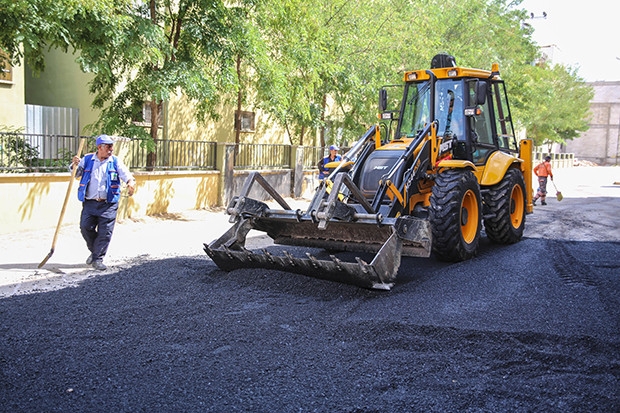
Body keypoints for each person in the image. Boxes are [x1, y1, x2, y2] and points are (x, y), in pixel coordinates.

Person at [71, 134, 136, 270]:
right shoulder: (87, 160)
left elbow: (126, 175)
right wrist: (74, 165)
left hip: (108, 204)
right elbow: (75, 174)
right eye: (108, 147)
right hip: (90, 202)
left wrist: (130, 183)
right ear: (99, 147)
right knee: (85, 227)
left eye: (112, 146)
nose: (111, 149)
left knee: (105, 232)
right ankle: (95, 251)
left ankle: (98, 259)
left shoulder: (115, 161)